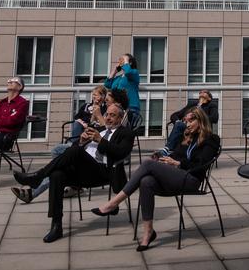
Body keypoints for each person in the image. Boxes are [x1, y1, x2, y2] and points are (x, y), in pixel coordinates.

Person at [92, 106, 220, 251]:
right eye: (186, 121)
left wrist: (178, 163)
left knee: (147, 164)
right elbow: (175, 155)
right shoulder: (187, 138)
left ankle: (113, 203)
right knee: (146, 182)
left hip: (192, 180)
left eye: (191, 120)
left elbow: (202, 164)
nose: (188, 124)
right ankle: (148, 233)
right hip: (176, 177)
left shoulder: (211, 139)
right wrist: (163, 158)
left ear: (201, 119)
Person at [13, 101, 134, 242]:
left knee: (75, 151)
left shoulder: (126, 133)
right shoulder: (100, 129)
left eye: (112, 115)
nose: (107, 118)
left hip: (102, 171)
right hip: (82, 170)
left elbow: (121, 153)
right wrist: (81, 141)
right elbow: (78, 148)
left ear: (120, 119)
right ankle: (56, 225)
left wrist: (100, 140)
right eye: (107, 114)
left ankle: (38, 177)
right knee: (57, 174)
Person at [161, 90, 218, 155]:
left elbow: (215, 118)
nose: (201, 93)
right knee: (179, 125)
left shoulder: (211, 105)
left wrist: (199, 118)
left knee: (180, 128)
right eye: (200, 92)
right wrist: (178, 121)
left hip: (201, 129)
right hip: (186, 128)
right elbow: (175, 115)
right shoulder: (192, 104)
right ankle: (170, 150)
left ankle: (169, 149)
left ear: (209, 98)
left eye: (204, 92)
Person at [104, 54, 141, 128]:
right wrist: (115, 70)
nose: (121, 62)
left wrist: (126, 61)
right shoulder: (119, 78)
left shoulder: (134, 73)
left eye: (123, 60)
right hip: (118, 109)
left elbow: (128, 72)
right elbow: (107, 84)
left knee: (123, 129)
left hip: (130, 108)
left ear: (130, 63)